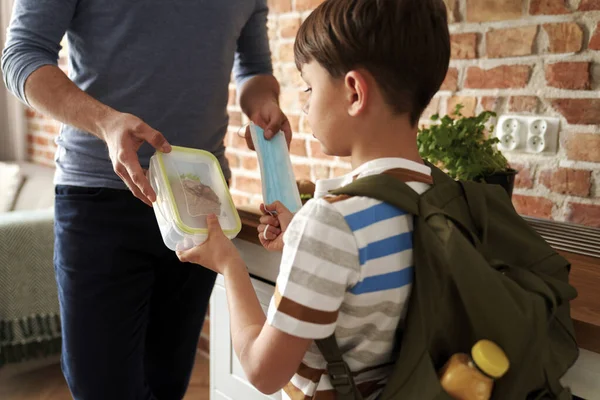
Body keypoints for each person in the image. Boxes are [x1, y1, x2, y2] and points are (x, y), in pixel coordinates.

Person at [1, 1, 290, 399]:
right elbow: (21, 55)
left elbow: (254, 68)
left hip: (199, 203)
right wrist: (106, 122)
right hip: (99, 194)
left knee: (166, 382)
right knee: (99, 386)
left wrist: (264, 103)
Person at [175, 0, 451, 398]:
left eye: (308, 85)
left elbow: (262, 371)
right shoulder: (439, 194)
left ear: (354, 92)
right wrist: (301, 239)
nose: (303, 102)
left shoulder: (331, 222)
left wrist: (229, 264)